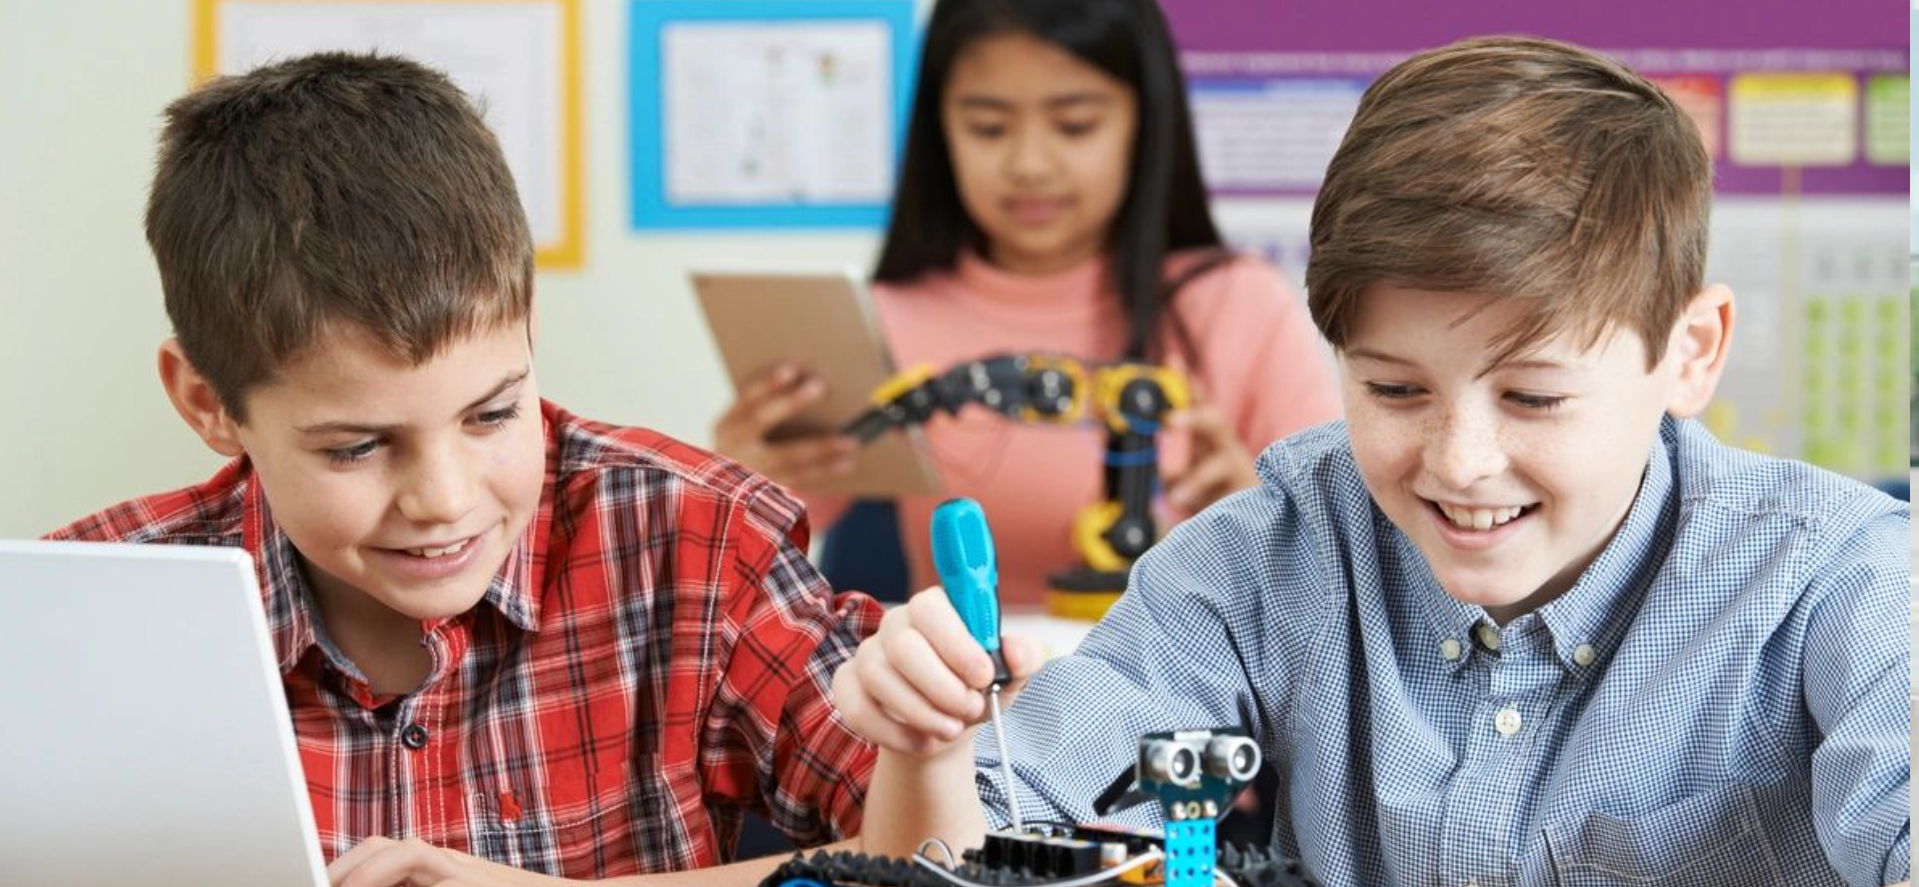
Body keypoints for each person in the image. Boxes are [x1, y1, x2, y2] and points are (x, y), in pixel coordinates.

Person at [832, 36, 1912, 887]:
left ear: (1689, 352)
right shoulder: (1269, 556)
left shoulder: (1835, 578)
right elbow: (977, 847)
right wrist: (925, 747)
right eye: (1392, 389)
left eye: (1531, 395)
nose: (1459, 460)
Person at [47, 53, 881, 886]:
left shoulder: (694, 542)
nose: (444, 499)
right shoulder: (81, 614)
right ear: (206, 401)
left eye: (491, 414)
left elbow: (946, 858)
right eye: (357, 447)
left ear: (528, 331)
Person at [713, 0, 1341, 605]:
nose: (1030, 164)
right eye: (987, 126)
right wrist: (733, 487)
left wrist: (1262, 520)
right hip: (964, 696)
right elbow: (739, 568)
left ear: (1144, 123)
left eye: (1075, 125)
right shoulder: (878, 322)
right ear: (940, 128)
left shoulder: (1235, 304)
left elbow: (1350, 561)